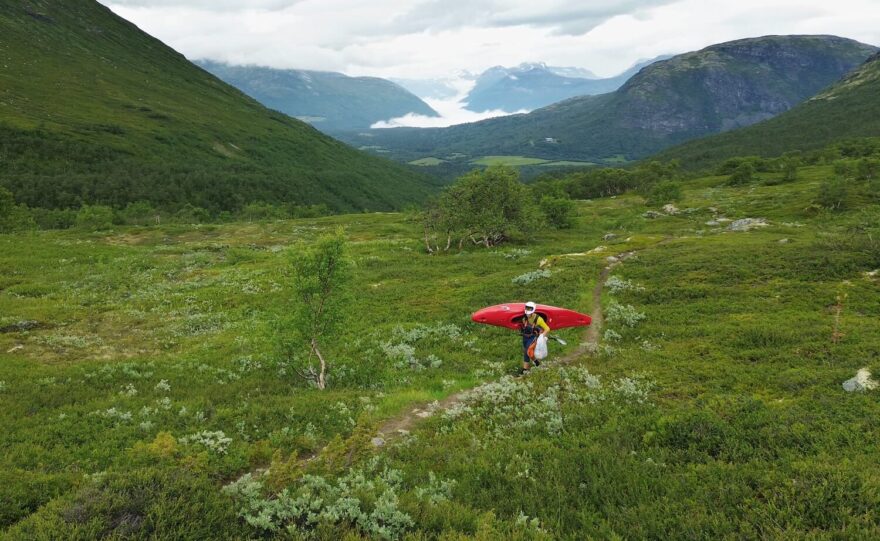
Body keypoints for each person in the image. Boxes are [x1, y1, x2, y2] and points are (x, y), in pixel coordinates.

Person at [519, 301, 550, 375]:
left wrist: (542, 336)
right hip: (525, 337)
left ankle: (525, 370)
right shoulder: (524, 317)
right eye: (527, 313)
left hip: (533, 337)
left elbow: (547, 328)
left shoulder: (539, 319)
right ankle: (536, 364)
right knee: (527, 353)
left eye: (529, 314)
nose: (528, 315)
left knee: (528, 350)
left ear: (533, 311)